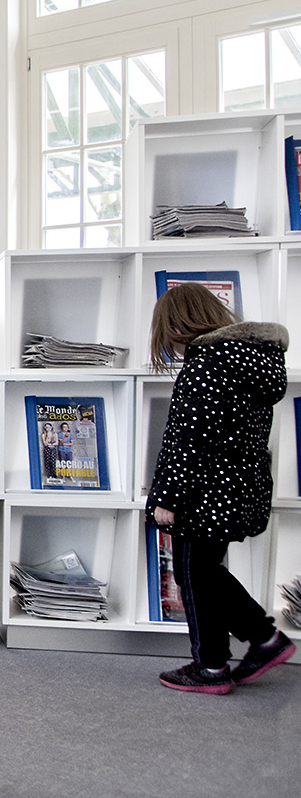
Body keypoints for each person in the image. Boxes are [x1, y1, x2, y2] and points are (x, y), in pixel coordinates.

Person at [146, 282, 295, 694]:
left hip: (203, 492)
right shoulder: (248, 361)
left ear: (178, 323)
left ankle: (217, 664)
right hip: (235, 489)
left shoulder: (207, 364)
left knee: (196, 574)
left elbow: (190, 439)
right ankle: (253, 644)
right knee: (203, 573)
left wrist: (168, 496)